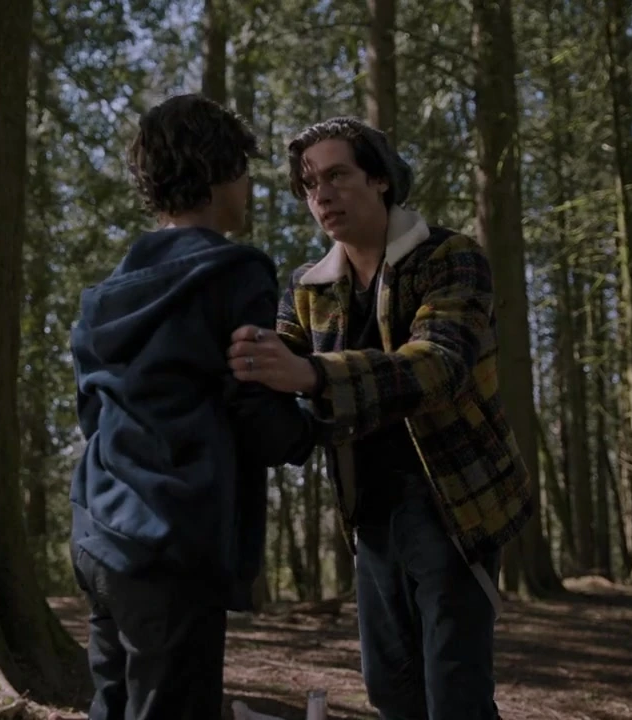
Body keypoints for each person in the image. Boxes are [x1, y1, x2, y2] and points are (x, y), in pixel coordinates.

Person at [225, 116, 534, 720]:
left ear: (381, 179)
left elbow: (440, 365)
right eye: (310, 185)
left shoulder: (450, 257)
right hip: (368, 509)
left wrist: (315, 375)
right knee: (390, 689)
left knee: (455, 691)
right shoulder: (307, 288)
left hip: (455, 504)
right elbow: (273, 357)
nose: (322, 195)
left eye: (337, 176)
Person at [68, 94, 320, 720]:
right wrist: (313, 428)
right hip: (173, 540)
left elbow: (91, 414)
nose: (248, 188)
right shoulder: (234, 273)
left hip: (98, 531)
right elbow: (254, 405)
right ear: (216, 172)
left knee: (113, 705)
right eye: (243, 171)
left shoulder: (105, 296)